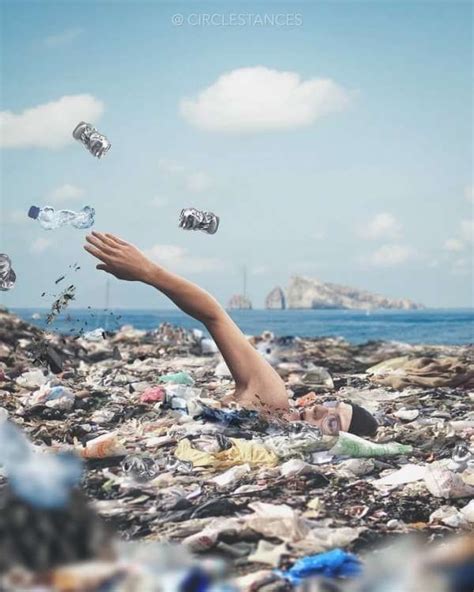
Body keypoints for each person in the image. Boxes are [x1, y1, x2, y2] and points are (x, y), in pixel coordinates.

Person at [84, 232, 378, 438]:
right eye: (329, 406)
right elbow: (214, 315)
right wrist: (149, 272)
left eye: (333, 422)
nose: (317, 412)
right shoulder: (270, 400)